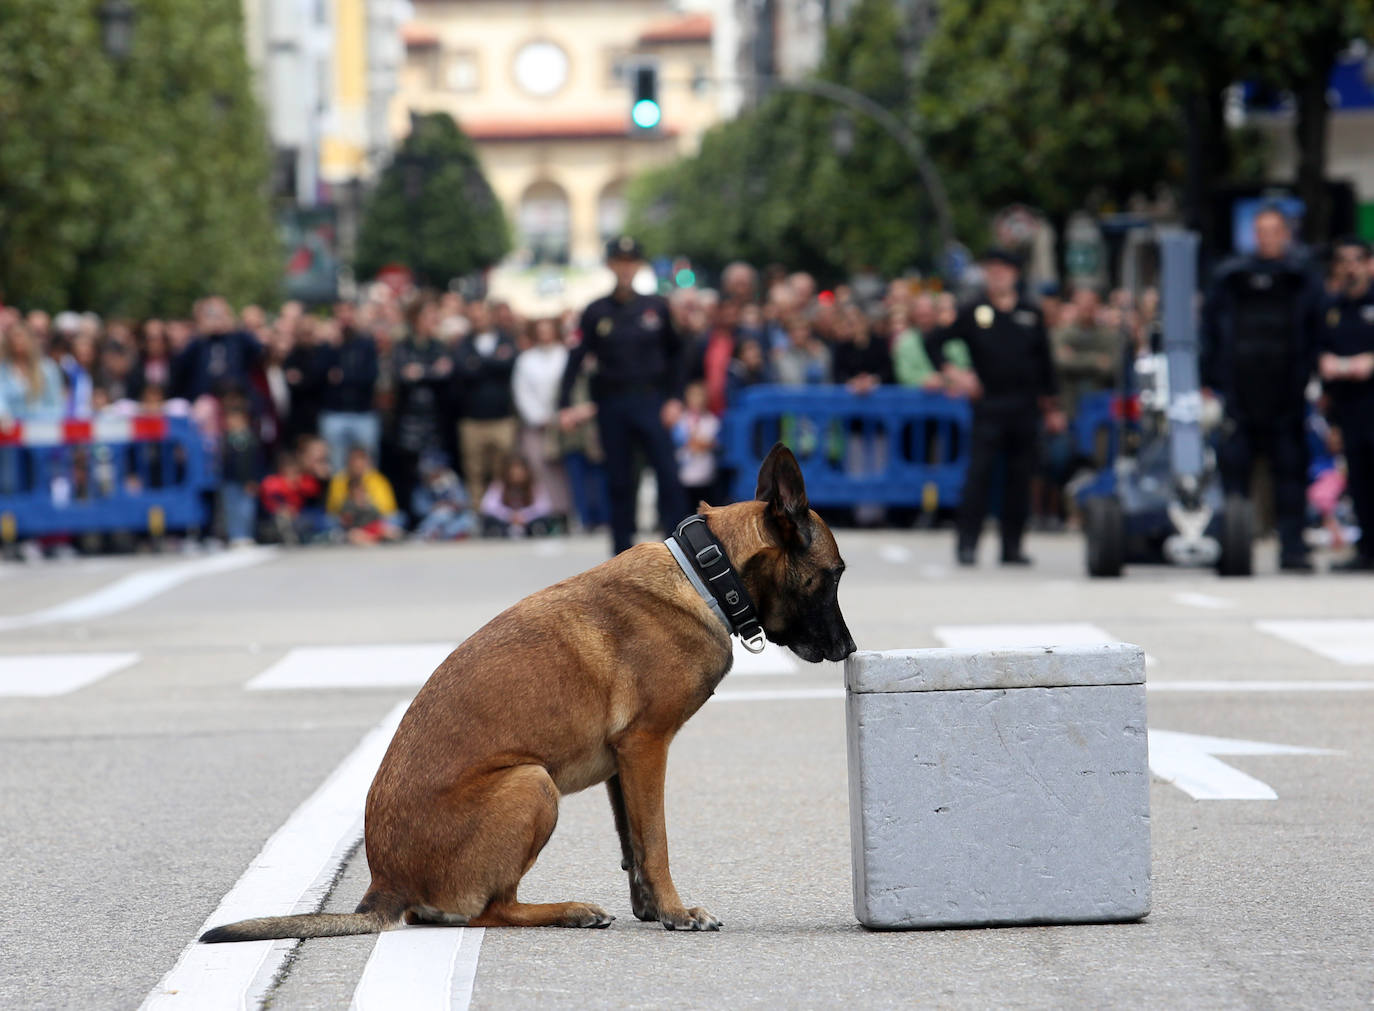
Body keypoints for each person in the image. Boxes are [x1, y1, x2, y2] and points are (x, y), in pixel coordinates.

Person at [926, 248, 1065, 566]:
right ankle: (967, 544)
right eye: (992, 270)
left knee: (1019, 478)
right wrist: (954, 374)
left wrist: (1052, 406)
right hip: (989, 404)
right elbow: (935, 340)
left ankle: (1012, 546)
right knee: (979, 476)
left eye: (1003, 270)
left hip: (1025, 406)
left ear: (1015, 274)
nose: (997, 275)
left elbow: (1044, 362)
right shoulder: (975, 310)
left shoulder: (1030, 312)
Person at [1201, 205, 1321, 572]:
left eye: (1274, 230)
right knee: (1234, 473)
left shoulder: (1301, 277)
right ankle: (1234, 546)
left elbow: (1316, 329)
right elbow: (1210, 331)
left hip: (1287, 392)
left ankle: (1292, 547)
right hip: (1239, 393)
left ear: (1286, 234)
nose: (1267, 237)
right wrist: (1209, 380)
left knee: (1290, 473)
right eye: (1261, 230)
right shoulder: (1231, 276)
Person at [558, 235, 689, 554]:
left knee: (667, 475)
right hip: (612, 403)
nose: (625, 268)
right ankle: (622, 550)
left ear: (638, 266)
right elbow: (576, 357)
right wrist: (564, 405)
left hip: (651, 400)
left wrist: (675, 398)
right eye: (619, 262)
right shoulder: (595, 311)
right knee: (619, 480)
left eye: (630, 262)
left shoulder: (656, 307)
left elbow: (678, 355)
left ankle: (680, 548)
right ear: (611, 266)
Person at [1316, 236, 1374, 571]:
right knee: (1359, 482)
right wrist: (1333, 421)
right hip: (1350, 410)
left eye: (1357, 259)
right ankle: (1367, 549)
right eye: (1343, 260)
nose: (1350, 267)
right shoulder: (1333, 309)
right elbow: (1322, 360)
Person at [453, 300, 518, 505]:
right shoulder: (463, 344)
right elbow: (463, 370)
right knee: (474, 471)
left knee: (503, 470)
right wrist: (493, 362)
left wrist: (479, 363)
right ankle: (478, 513)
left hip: (502, 418)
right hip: (472, 419)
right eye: (473, 315)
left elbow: (508, 364)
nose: (477, 319)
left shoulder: (506, 339)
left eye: (480, 314)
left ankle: (502, 511)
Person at [511, 317, 571, 524]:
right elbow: (522, 392)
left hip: (564, 422)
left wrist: (561, 414)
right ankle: (547, 513)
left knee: (564, 470)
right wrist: (538, 416)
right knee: (540, 470)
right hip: (537, 424)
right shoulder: (526, 359)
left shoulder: (565, 355)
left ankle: (568, 512)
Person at [316, 304, 380, 472]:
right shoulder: (328, 345)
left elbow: (370, 376)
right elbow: (320, 375)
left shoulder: (366, 344)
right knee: (337, 468)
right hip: (334, 413)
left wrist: (344, 377)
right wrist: (332, 347)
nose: (345, 318)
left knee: (367, 467)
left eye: (348, 313)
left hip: (363, 413)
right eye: (341, 313)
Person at [479, 453, 554, 538]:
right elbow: (487, 506)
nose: (517, 474)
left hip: (528, 523)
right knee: (489, 520)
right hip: (505, 524)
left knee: (543, 520)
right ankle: (499, 533)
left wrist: (524, 516)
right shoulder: (499, 486)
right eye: (513, 471)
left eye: (520, 471)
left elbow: (545, 507)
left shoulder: (534, 486)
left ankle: (535, 532)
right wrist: (509, 516)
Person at [411, 449, 478, 541]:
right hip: (434, 518)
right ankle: (429, 534)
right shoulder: (422, 485)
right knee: (440, 515)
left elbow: (465, 501)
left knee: (469, 518)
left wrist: (454, 504)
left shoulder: (453, 481)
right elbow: (418, 508)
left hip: (455, 518)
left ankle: (452, 534)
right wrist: (435, 507)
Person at [673, 381, 721, 506]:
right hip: (685, 475)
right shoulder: (681, 420)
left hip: (705, 475)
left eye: (700, 396)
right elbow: (679, 440)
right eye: (693, 396)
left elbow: (711, 443)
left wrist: (697, 442)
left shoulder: (711, 421)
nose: (697, 401)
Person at [219, 400, 260, 547]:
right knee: (231, 509)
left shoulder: (251, 440)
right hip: (230, 480)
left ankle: (247, 534)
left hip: (247, 481)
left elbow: (256, 462)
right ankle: (235, 535)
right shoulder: (225, 439)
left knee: (246, 509)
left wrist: (253, 479)